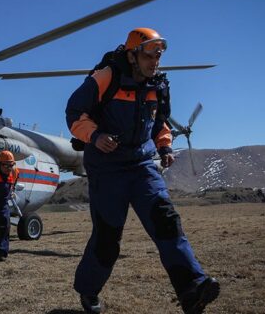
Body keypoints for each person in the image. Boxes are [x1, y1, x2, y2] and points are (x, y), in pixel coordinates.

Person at [65, 28, 219, 314]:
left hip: (141, 165)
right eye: (150, 54)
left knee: (167, 221)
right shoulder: (106, 77)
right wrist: (96, 135)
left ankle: (192, 289)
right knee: (108, 239)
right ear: (133, 54)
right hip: (106, 168)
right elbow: (74, 113)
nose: (155, 61)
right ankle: (88, 290)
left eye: (159, 56)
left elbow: (160, 122)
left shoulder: (157, 85)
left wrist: (164, 147)